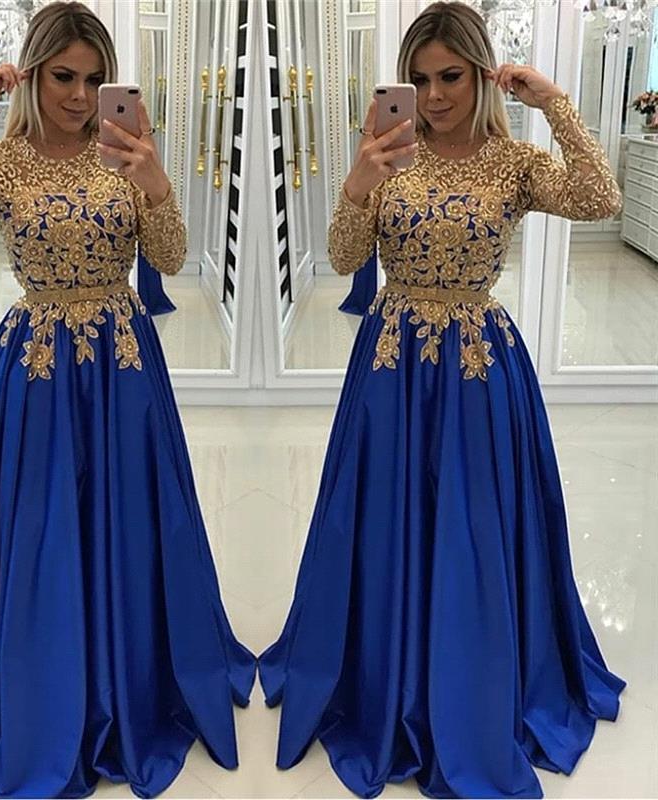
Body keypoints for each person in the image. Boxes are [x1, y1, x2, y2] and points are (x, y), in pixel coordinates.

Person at [0, 3, 255, 797]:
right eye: (63, 77)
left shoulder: (123, 153)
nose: (80, 96)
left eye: (93, 79)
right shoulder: (1, 162)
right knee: (40, 521)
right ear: (31, 75)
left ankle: (133, 668)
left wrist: (156, 182)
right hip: (35, 367)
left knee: (128, 516)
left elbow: (169, 257)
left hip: (122, 363)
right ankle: (42, 670)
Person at [258, 3, 625, 798]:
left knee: (473, 521)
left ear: (483, 74)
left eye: (451, 76)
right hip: (392, 363)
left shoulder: (513, 162)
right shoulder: (391, 152)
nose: (433, 96)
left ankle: (471, 672)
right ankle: (381, 668)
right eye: (420, 79)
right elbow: (345, 256)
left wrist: (554, 102)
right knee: (387, 516)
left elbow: (600, 197)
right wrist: (359, 179)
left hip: (480, 368)